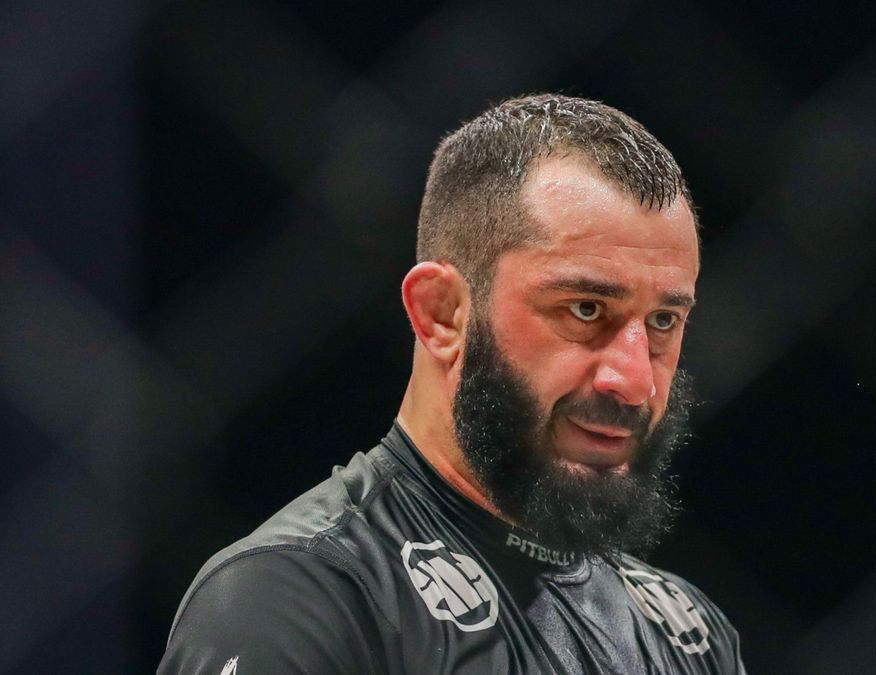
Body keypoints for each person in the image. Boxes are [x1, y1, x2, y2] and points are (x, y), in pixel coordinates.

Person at [159, 93, 746, 674]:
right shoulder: (301, 600)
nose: (636, 381)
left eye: (664, 321)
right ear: (443, 313)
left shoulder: (687, 632)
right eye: (586, 310)